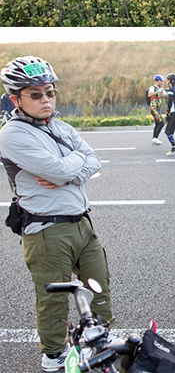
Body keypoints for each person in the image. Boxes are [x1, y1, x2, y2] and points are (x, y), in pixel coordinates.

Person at [0, 57, 115, 372]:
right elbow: (61, 167)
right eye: (35, 95)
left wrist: (70, 171)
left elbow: (92, 161)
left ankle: (99, 342)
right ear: (15, 99)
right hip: (47, 232)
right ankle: (54, 356)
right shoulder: (12, 134)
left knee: (99, 287)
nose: (45, 100)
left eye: (49, 93)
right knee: (53, 299)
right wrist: (73, 166)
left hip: (82, 225)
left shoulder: (61, 127)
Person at [147, 75, 165, 145]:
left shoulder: (160, 89)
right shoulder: (152, 88)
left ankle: (154, 138)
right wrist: (157, 91)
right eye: (161, 81)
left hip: (158, 108)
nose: (162, 83)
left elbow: (165, 95)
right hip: (154, 108)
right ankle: (155, 138)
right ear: (157, 81)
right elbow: (149, 94)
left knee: (157, 123)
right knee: (161, 123)